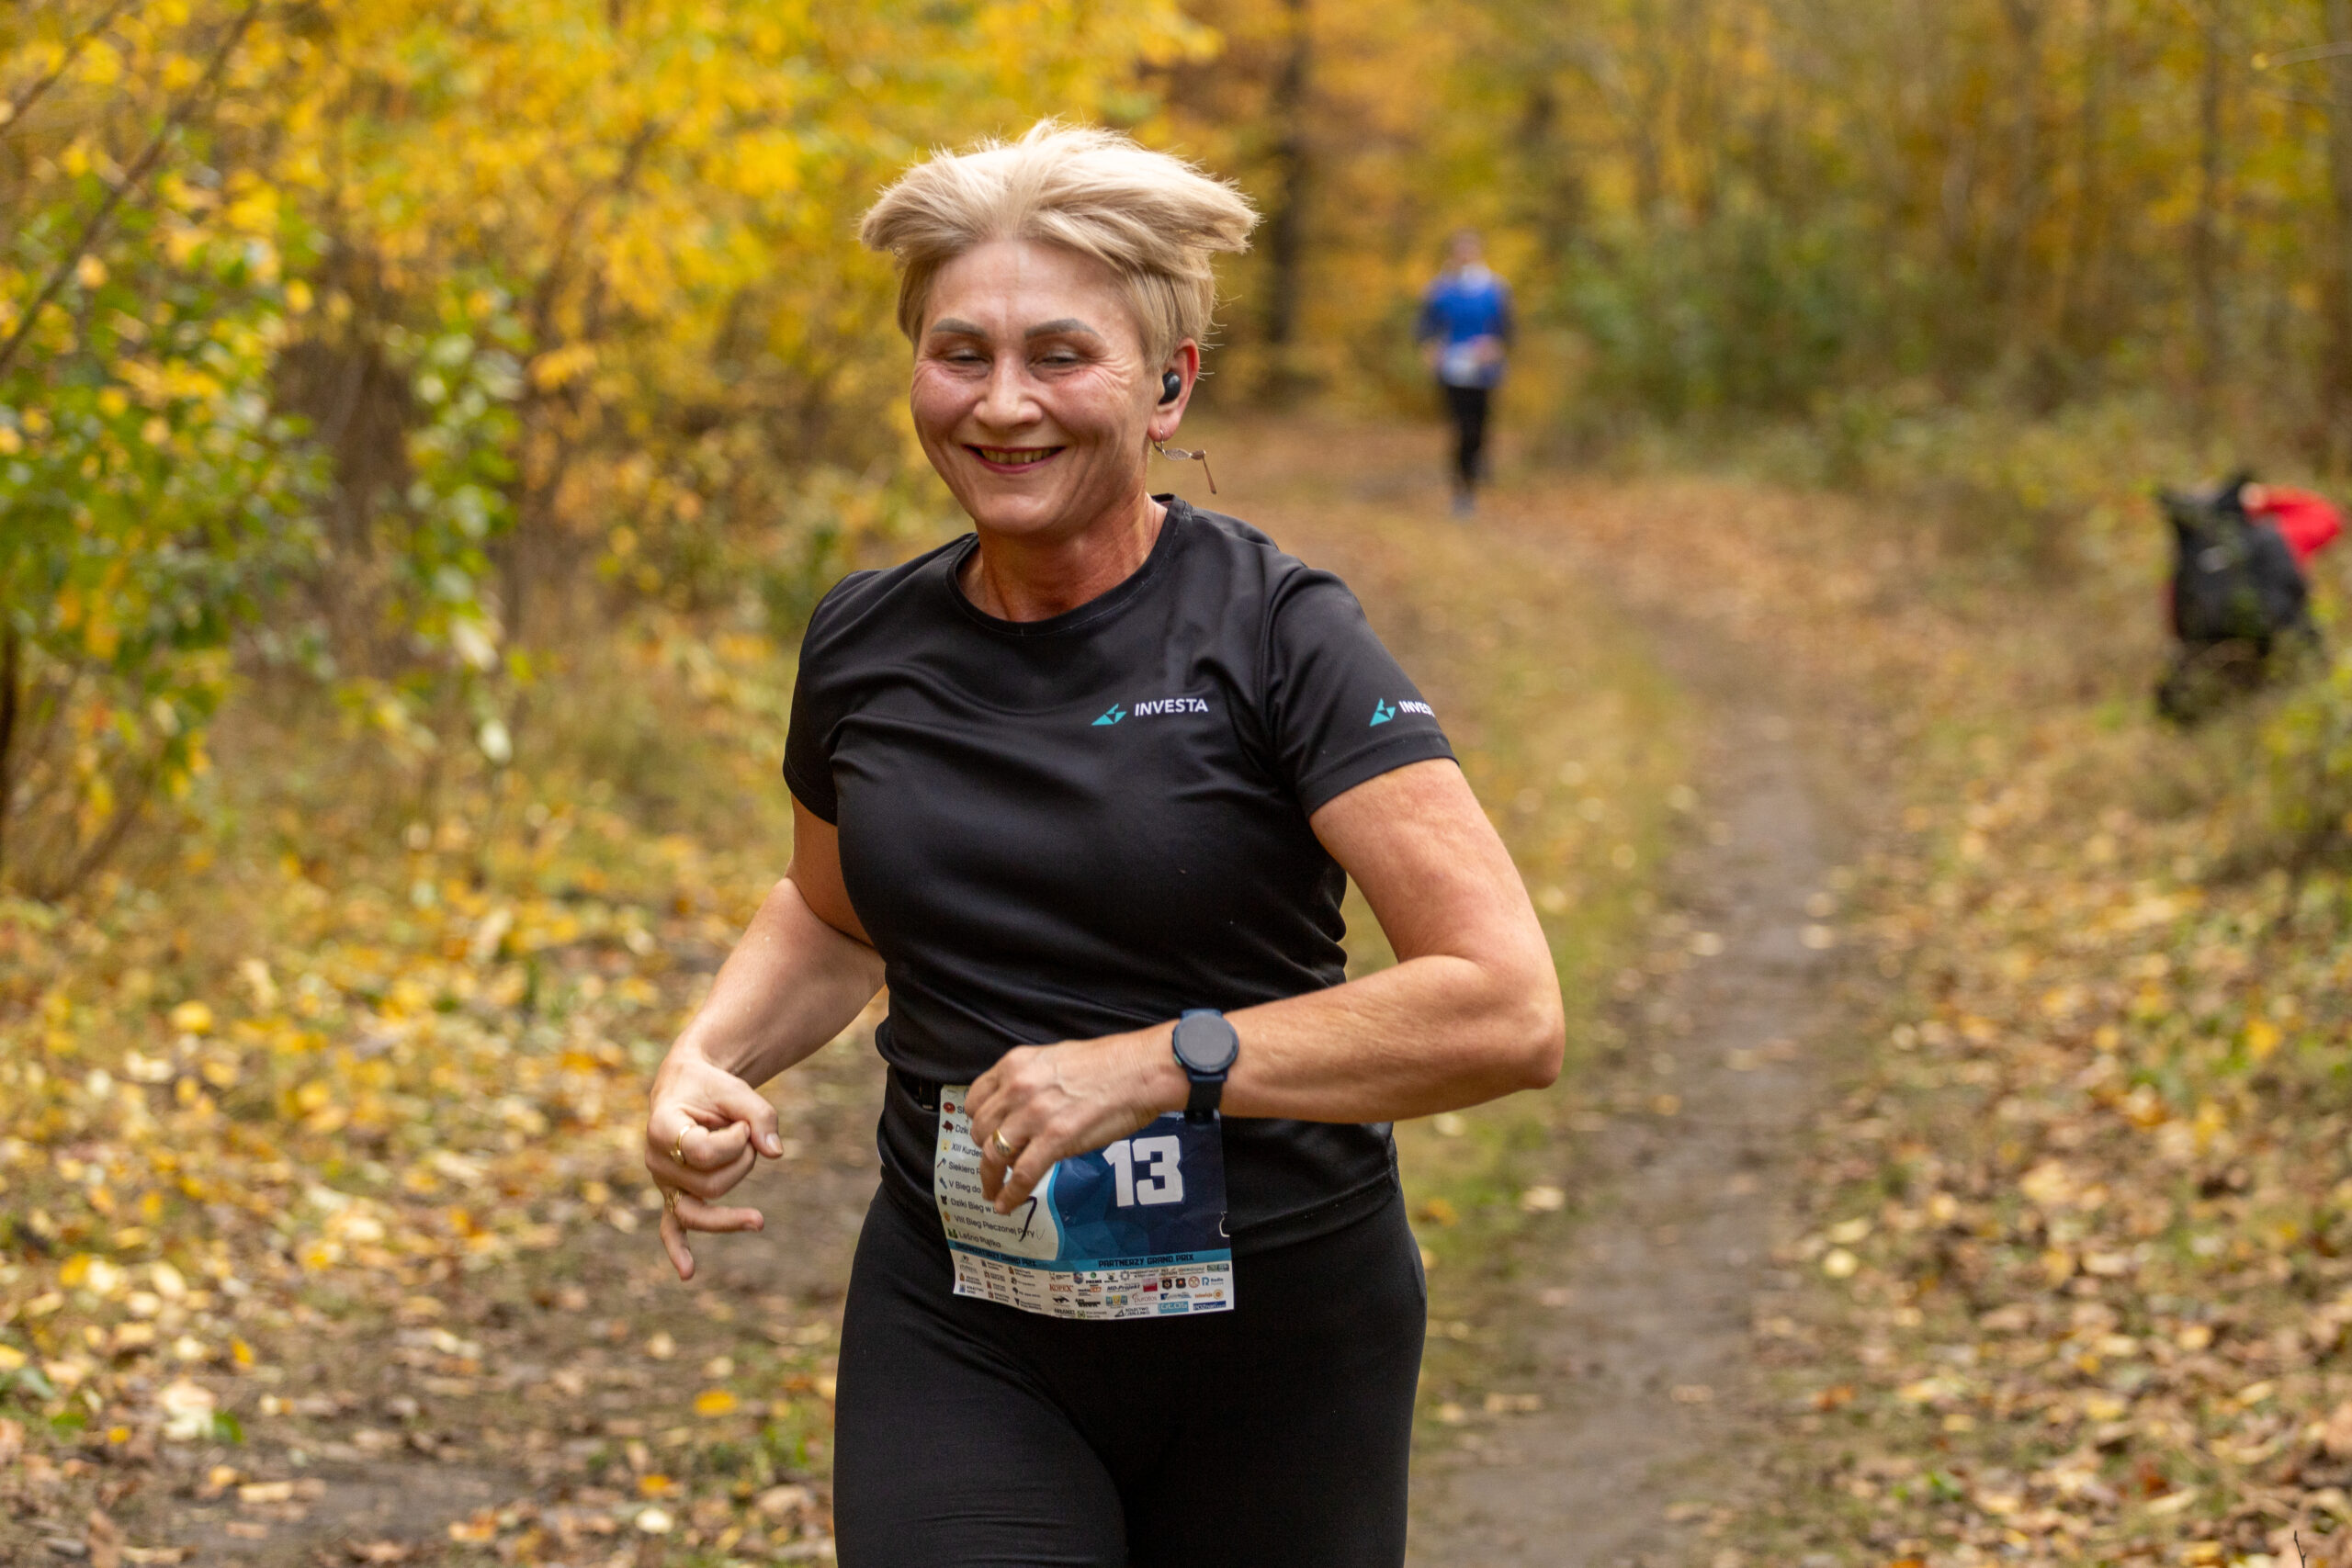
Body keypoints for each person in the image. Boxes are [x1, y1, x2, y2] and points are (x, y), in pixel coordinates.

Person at [641, 121, 1563, 1568]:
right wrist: (710, 1053)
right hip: (963, 1319)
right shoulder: (866, 640)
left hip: (1277, 1338)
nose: (1003, 402)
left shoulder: (1277, 633)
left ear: (1167, 386)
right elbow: (832, 913)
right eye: (960, 353)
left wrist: (1156, 1064)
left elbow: (1507, 1005)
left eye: (1060, 355)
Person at [1415, 229, 1514, 515]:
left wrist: (1495, 347)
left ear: (1478, 251)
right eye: (1460, 250)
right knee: (1462, 428)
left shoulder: (1495, 288)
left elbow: (1507, 331)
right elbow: (1424, 328)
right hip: (1453, 367)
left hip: (1484, 369)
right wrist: (1431, 350)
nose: (1465, 255)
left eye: (1469, 249)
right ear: (1453, 253)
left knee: (1479, 425)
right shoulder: (1440, 290)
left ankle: (1477, 462)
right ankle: (1463, 490)